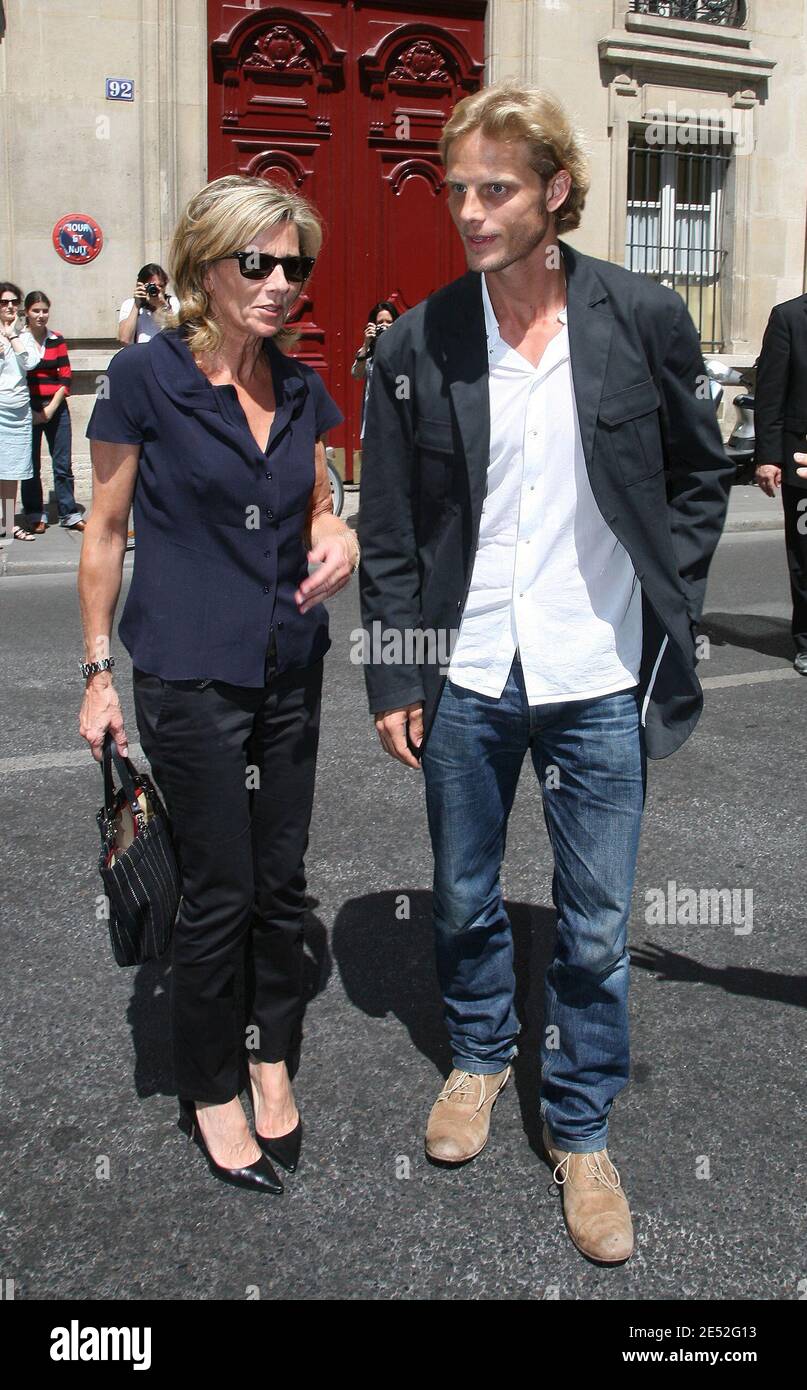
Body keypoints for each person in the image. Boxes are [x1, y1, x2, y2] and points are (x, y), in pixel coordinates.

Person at [358, 82, 733, 1264]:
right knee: (465, 894)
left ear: (556, 191)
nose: (468, 210)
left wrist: (664, 604)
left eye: (496, 189)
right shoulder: (420, 339)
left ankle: (581, 1128)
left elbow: (698, 474)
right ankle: (478, 1057)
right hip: (469, 675)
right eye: (458, 188)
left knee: (597, 927)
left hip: (597, 672)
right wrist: (395, 675)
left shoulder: (641, 316)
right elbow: (393, 531)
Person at [79, 174, 359, 1195]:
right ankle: (209, 1086)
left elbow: (319, 497)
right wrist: (98, 673)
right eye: (260, 262)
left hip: (290, 662)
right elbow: (104, 530)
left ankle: (268, 1050)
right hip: (191, 672)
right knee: (220, 891)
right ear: (208, 263)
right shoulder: (145, 379)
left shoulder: (298, 383)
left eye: (296, 266)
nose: (281, 282)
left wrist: (337, 527)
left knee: (281, 880)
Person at [753, 293, 807, 674]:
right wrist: (769, 457)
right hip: (802, 462)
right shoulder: (789, 317)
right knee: (805, 553)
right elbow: (771, 393)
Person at [22, 290, 85, 533]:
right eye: (36, 310)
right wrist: (35, 411)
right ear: (27, 312)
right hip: (27, 410)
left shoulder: (56, 339)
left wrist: (49, 410)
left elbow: (65, 376)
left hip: (56, 408)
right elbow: (18, 380)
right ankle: (35, 513)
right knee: (30, 465)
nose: (41, 315)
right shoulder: (20, 339)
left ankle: (69, 512)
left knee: (62, 464)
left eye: (44, 310)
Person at [0, 281, 43, 542]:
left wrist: (12, 335)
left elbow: (30, 362)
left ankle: (8, 523)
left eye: (14, 302)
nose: (10, 307)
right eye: (4, 302)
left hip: (18, 413)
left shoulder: (24, 335)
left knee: (12, 471)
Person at [351, 300, 399, 440]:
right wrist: (366, 345)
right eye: (380, 322)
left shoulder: (403, 350)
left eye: (389, 322)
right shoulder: (367, 352)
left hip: (395, 423)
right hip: (373, 423)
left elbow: (405, 390)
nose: (384, 326)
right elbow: (357, 375)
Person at [117, 264, 179, 345]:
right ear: (140, 285)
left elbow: (178, 337)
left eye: (160, 286)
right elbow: (125, 340)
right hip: (140, 355)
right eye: (151, 286)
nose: (156, 290)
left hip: (164, 355)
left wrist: (161, 306)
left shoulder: (173, 303)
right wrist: (136, 305)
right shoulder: (129, 305)